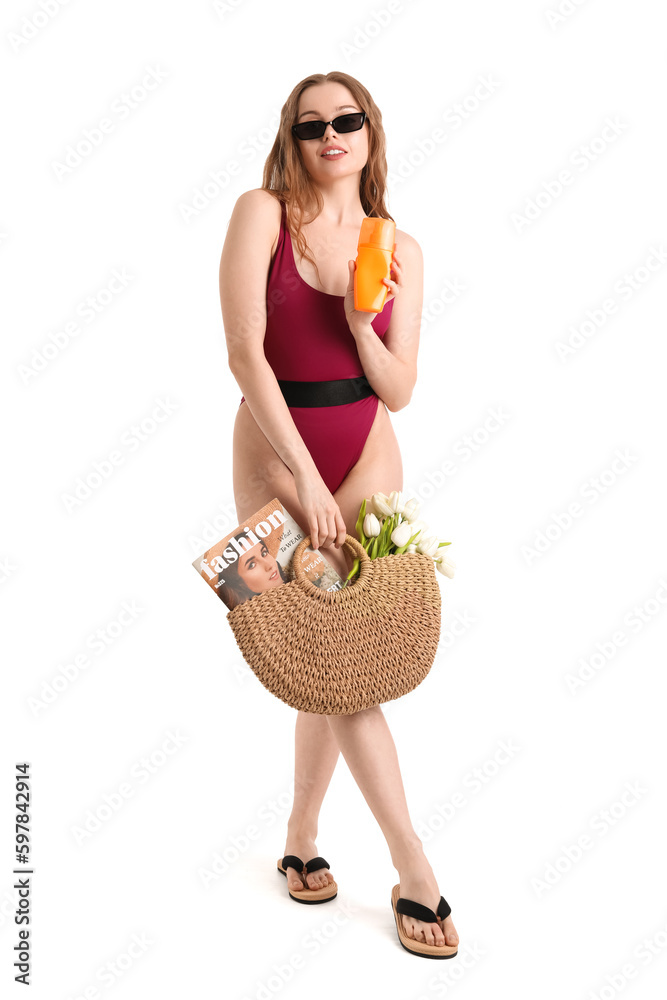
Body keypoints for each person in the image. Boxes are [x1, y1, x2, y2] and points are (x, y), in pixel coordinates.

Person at [219, 70, 459, 958]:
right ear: (294, 134)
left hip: (365, 442)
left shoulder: (400, 248)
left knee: (343, 655)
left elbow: (398, 388)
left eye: (346, 119)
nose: (331, 134)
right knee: (330, 656)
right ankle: (415, 868)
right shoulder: (261, 212)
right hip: (275, 451)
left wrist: (364, 324)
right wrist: (300, 480)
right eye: (312, 122)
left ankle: (301, 838)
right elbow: (245, 353)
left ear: (369, 132)